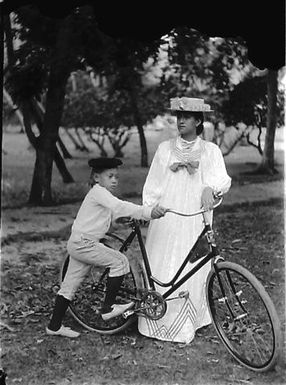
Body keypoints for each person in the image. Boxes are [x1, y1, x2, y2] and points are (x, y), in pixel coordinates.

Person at [138, 97, 232, 343]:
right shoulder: (165, 149)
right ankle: (158, 313)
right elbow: (154, 182)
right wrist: (150, 209)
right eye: (179, 116)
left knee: (192, 261)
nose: (180, 121)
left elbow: (221, 179)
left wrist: (209, 189)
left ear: (198, 121)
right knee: (163, 259)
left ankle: (191, 317)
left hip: (193, 216)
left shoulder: (210, 151)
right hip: (168, 214)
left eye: (187, 117)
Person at [46, 157, 167, 338]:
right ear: (96, 178)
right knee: (120, 262)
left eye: (116, 177)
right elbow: (119, 206)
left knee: (68, 287)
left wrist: (130, 218)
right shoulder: (98, 193)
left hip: (80, 243)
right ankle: (107, 308)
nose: (114, 180)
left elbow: (112, 216)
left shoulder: (102, 196)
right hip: (84, 244)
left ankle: (54, 326)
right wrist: (148, 211)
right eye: (110, 176)